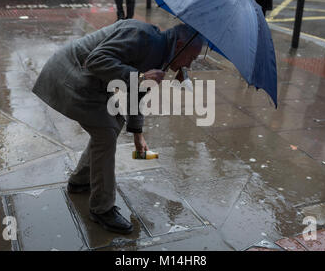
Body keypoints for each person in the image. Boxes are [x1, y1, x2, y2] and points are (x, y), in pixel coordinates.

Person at [32, 20, 204, 234]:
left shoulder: (162, 55)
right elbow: (95, 60)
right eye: (192, 57)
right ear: (180, 45)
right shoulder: (142, 35)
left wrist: (137, 133)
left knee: (113, 122)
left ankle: (80, 181)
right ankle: (102, 208)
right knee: (105, 132)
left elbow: (136, 92)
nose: (190, 64)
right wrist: (140, 76)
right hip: (69, 76)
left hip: (88, 82)